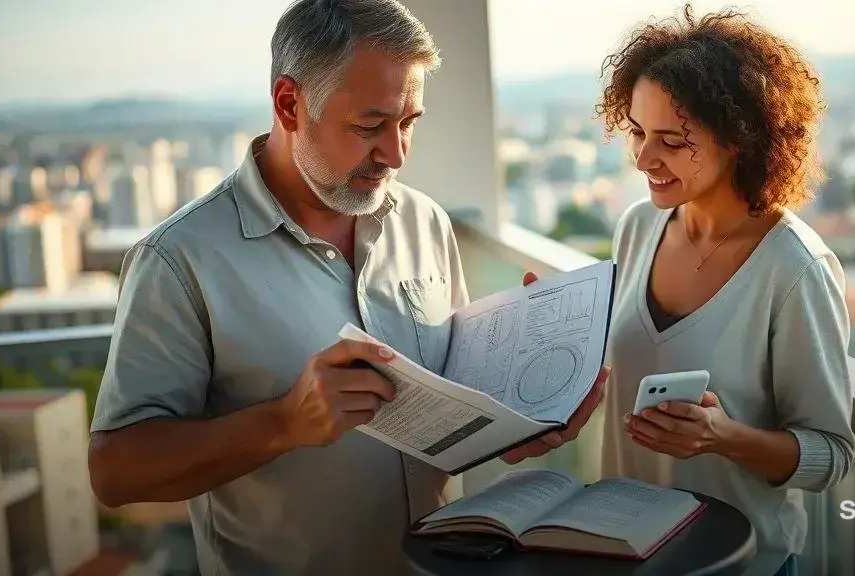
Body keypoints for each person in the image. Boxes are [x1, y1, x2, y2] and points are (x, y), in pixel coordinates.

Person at [86, 1, 606, 574]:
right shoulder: (178, 259)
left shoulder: (425, 221)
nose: (397, 153)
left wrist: (525, 414)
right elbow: (115, 472)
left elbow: (450, 408)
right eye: (370, 126)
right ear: (289, 104)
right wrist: (282, 423)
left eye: (409, 122)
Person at [596, 6, 855, 575]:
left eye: (671, 139)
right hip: (623, 552)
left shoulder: (795, 269)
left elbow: (831, 457)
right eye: (637, 132)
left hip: (738, 564)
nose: (643, 157)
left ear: (738, 139)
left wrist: (722, 436)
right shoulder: (639, 226)